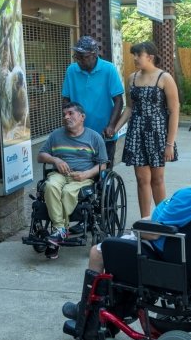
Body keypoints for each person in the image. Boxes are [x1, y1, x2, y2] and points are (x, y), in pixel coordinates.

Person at [62, 140, 191, 323]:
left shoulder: (189, 198)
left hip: (160, 249)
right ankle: (118, 305)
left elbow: (153, 233)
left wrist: (138, 228)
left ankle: (87, 313)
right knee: (124, 239)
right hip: (174, 243)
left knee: (99, 251)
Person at [114, 40, 179, 218]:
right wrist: (115, 128)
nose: (135, 58)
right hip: (137, 132)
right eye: (133, 55)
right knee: (142, 179)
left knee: (157, 179)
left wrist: (170, 143)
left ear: (149, 57)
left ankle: (161, 219)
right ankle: (145, 221)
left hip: (158, 132)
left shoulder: (164, 78)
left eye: (138, 55)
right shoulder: (132, 78)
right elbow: (129, 108)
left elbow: (174, 111)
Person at [38, 102, 108, 260]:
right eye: (64, 114)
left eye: (70, 113)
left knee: (68, 192)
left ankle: (56, 236)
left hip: (82, 177)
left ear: (82, 117)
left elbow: (104, 164)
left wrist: (87, 174)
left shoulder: (94, 137)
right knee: (50, 186)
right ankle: (60, 230)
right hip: (60, 174)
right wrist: (55, 159)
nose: (66, 117)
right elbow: (40, 155)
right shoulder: (56, 135)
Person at [62, 35, 124, 167]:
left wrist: (112, 125)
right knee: (80, 169)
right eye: (77, 57)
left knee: (104, 171)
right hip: (79, 133)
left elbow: (118, 100)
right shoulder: (71, 70)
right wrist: (69, 121)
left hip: (103, 133)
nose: (79, 61)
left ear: (94, 54)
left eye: (83, 57)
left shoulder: (108, 69)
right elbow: (66, 99)